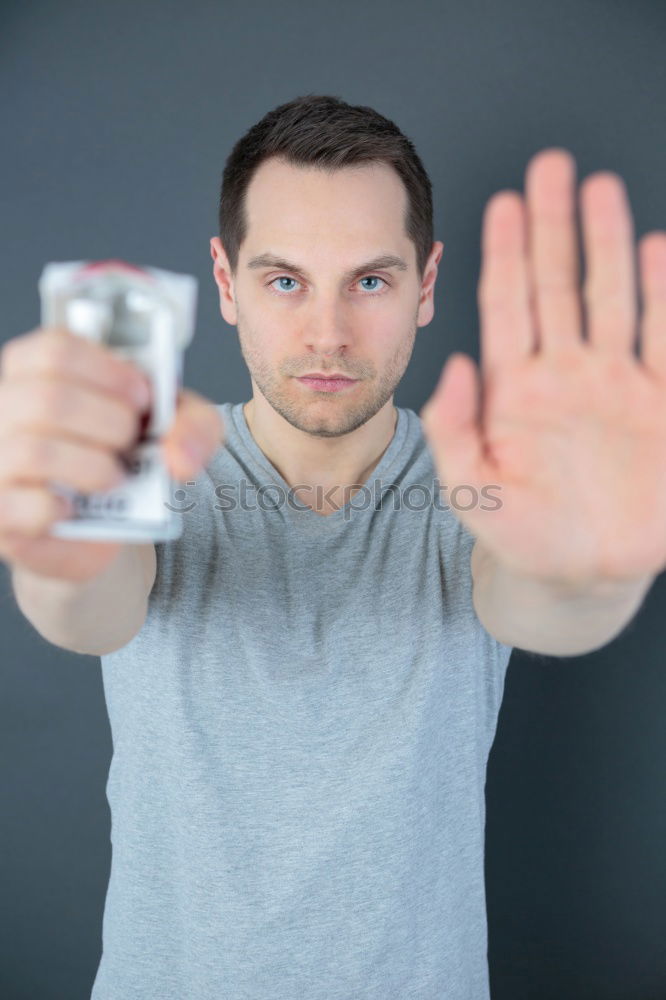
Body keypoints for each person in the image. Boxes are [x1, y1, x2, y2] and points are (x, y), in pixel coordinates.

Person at [3, 93, 664, 1000]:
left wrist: (594, 570)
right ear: (226, 282)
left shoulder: (489, 480)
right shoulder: (150, 474)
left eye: (370, 281)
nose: (327, 335)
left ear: (426, 286)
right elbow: (90, 604)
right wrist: (59, 549)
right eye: (284, 281)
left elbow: (541, 596)